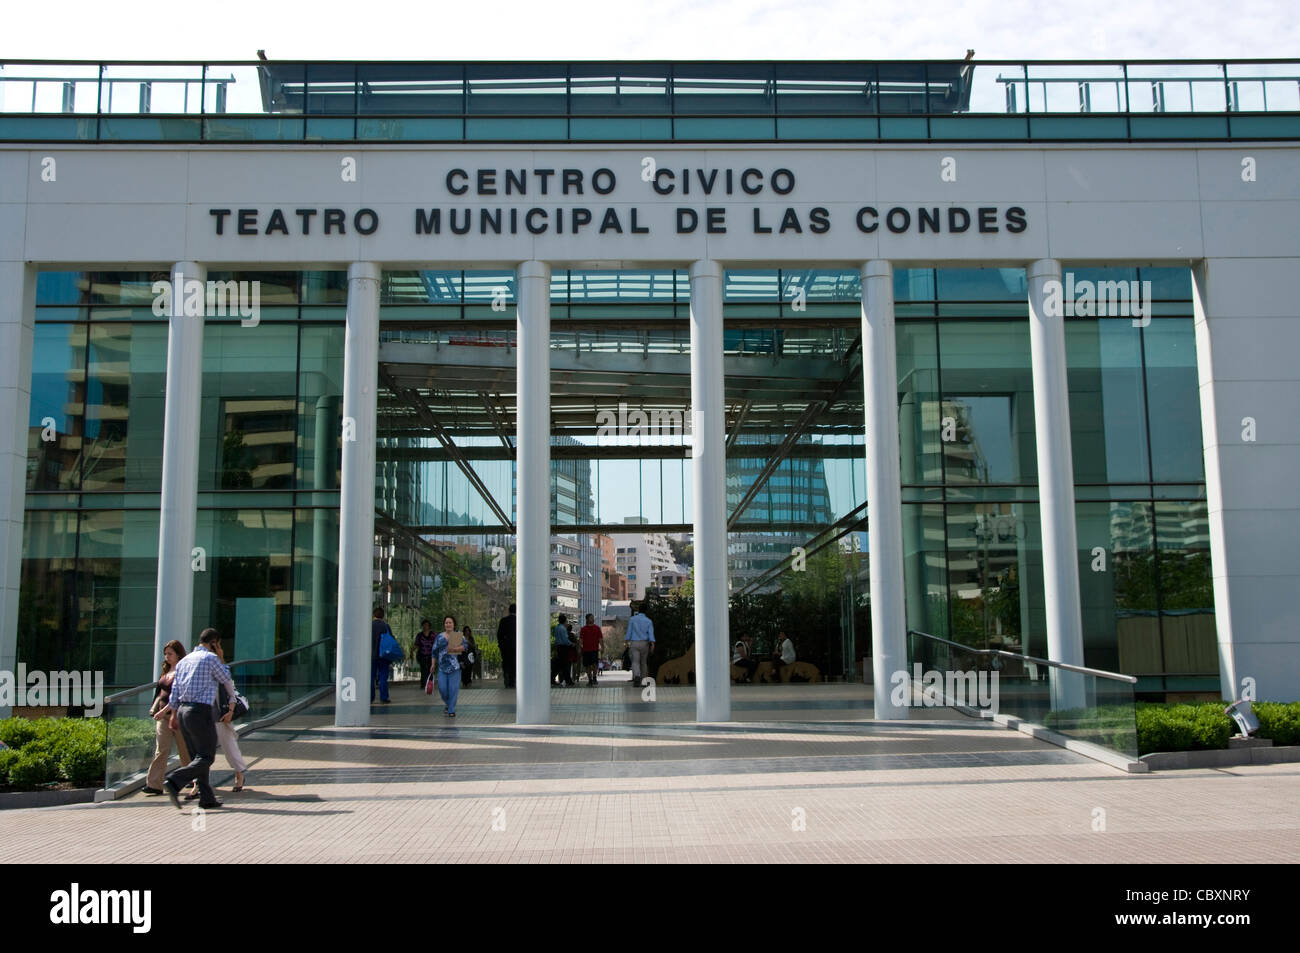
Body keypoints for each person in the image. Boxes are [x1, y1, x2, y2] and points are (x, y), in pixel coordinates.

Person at [161, 628, 237, 810]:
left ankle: (207, 798)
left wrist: (173, 715)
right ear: (213, 643)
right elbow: (225, 677)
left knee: (197, 756)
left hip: (183, 711)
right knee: (206, 757)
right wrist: (220, 656)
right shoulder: (210, 659)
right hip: (200, 711)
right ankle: (174, 780)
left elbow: (175, 692)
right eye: (217, 644)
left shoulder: (184, 661)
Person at [185, 638, 247, 798]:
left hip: (219, 713)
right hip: (201, 713)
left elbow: (230, 688)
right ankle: (197, 784)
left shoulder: (220, 666)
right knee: (201, 752)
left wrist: (231, 711)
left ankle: (239, 773)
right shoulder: (197, 664)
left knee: (229, 745)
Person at [143, 640, 190, 795]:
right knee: (161, 749)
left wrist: (165, 711)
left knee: (184, 750)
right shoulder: (166, 670)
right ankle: (154, 784)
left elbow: (180, 695)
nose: (167, 657)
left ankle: (191, 778)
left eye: (170, 654)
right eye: (166, 654)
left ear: (178, 654)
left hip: (177, 715)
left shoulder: (183, 670)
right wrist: (157, 709)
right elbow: (159, 692)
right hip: (162, 715)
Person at [432, 615, 465, 716]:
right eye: (446, 623)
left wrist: (455, 649)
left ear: (454, 624)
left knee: (453, 690)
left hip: (454, 668)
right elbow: (434, 652)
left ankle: (451, 710)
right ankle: (448, 704)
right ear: (444, 625)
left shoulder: (457, 635)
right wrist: (432, 664)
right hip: (442, 668)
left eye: (450, 622)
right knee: (443, 690)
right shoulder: (440, 637)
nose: (448, 624)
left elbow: (465, 647)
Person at [626, 602, 655, 687]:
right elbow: (651, 634)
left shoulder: (632, 619)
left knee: (635, 661)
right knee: (643, 662)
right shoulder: (649, 621)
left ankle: (636, 676)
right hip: (645, 643)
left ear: (639, 610)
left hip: (634, 642)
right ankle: (643, 680)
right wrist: (652, 644)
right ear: (646, 611)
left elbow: (629, 632)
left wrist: (627, 641)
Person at [371, 606, 393, 705]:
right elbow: (391, 640)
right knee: (383, 676)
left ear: (373, 615)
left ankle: (370, 697)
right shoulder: (385, 626)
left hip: (371, 656)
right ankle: (384, 697)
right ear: (383, 616)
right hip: (384, 655)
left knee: (371, 677)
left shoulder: (369, 626)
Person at [496, 604, 517, 688]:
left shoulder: (503, 620)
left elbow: (499, 634)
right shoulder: (519, 620)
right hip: (516, 647)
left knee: (506, 662)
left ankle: (506, 676)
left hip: (505, 647)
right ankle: (512, 680)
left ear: (509, 610)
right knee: (514, 663)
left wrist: (501, 644)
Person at [579, 614, 603, 686]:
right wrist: (580, 648)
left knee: (595, 664)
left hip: (595, 649)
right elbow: (581, 640)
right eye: (591, 618)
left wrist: (602, 647)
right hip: (586, 650)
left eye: (593, 618)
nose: (593, 619)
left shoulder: (597, 628)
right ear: (587, 619)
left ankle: (594, 678)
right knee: (587, 666)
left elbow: (600, 639)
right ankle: (590, 679)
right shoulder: (583, 629)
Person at [552, 614, 574, 686]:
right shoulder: (563, 628)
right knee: (564, 664)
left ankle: (552, 678)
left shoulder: (556, 628)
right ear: (565, 620)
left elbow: (556, 638)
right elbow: (565, 640)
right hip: (564, 648)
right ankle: (568, 681)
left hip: (558, 647)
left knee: (558, 664)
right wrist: (571, 644)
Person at [415, 619, 436, 689]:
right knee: (423, 670)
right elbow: (416, 644)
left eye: (426, 625)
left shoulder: (433, 635)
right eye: (424, 625)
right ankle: (423, 684)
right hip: (422, 654)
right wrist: (412, 651)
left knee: (430, 670)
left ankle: (430, 684)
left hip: (431, 655)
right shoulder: (419, 635)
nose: (425, 626)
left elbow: (437, 644)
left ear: (429, 626)